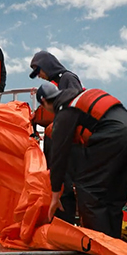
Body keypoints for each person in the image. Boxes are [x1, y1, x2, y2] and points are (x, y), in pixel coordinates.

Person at [38, 83, 127, 238]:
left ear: (44, 102)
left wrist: (54, 195)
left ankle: (101, 245)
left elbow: (59, 156)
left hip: (114, 135)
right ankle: (115, 244)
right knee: (114, 194)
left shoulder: (66, 110)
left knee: (88, 190)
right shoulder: (82, 97)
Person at [29, 50, 84, 225]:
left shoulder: (68, 79)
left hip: (70, 144)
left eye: (40, 72)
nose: (40, 76)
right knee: (63, 182)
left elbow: (73, 110)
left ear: (47, 67)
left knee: (66, 184)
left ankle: (65, 222)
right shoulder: (60, 82)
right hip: (64, 140)